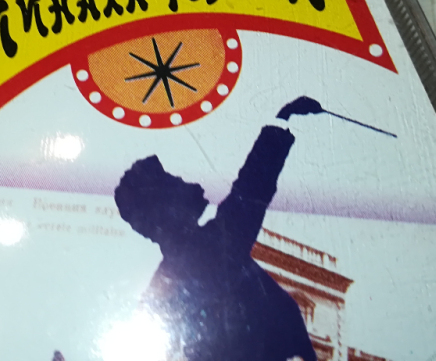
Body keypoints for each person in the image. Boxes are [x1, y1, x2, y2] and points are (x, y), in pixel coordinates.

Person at [114, 97, 321, 361]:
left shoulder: (166, 284)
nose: (185, 181)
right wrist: (283, 118)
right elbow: (251, 189)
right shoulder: (209, 251)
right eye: (173, 181)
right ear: (165, 209)